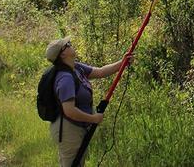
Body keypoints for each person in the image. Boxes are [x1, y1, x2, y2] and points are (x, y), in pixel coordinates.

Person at [45, 36, 133, 167]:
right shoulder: (65, 78)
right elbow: (69, 110)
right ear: (62, 54)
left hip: (76, 127)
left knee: (78, 163)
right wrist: (93, 119)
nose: (71, 44)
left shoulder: (76, 68)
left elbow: (100, 71)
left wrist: (122, 62)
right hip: (68, 129)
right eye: (67, 44)